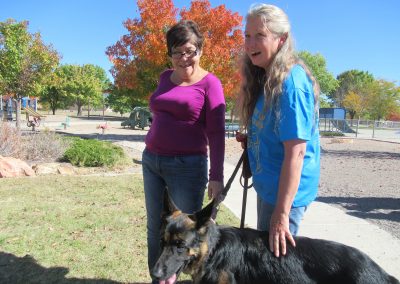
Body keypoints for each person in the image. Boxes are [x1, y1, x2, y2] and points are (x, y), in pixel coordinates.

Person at [142, 20, 226, 282]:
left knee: (185, 235)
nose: (184, 58)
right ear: (170, 54)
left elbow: (216, 133)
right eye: (177, 52)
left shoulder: (211, 84)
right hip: (152, 161)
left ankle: (172, 278)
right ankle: (159, 281)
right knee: (156, 228)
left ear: (200, 50)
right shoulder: (164, 77)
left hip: (186, 167)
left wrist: (217, 175)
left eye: (190, 50)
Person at [236, 3, 320, 258]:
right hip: (269, 187)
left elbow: (296, 152)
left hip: (285, 198)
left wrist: (281, 214)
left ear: (281, 39)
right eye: (247, 36)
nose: (250, 44)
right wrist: (253, 141)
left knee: (275, 264)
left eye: (260, 35)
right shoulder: (266, 77)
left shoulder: (291, 84)